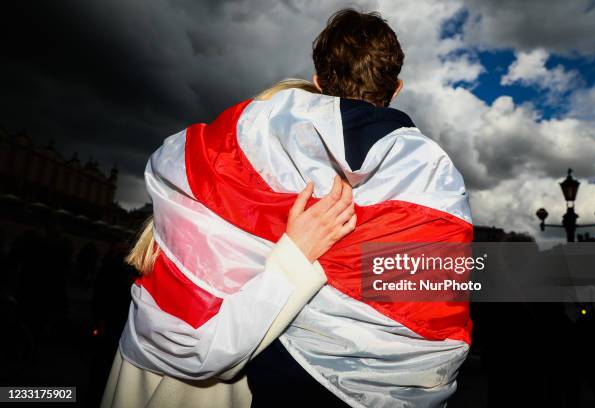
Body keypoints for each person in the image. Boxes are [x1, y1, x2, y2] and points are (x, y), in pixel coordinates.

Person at [104, 8, 472, 408]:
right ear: (397, 88)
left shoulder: (202, 202)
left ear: (318, 83)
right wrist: (296, 254)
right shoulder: (424, 172)